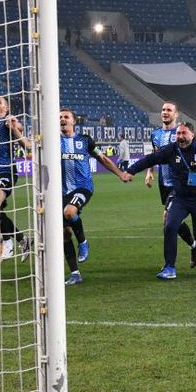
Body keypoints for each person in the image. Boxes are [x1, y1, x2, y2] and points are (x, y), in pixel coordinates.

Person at [122, 122, 196, 279]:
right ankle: (170, 268)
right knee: (170, 226)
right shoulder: (171, 150)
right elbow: (151, 159)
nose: (180, 137)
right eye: (178, 134)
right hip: (180, 199)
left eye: (184, 133)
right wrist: (131, 171)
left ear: (192, 135)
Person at [59, 108, 126, 285]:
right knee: (64, 233)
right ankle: (75, 273)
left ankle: (83, 242)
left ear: (74, 121)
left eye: (66, 117)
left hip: (83, 187)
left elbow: (102, 159)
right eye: (60, 117)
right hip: (61, 192)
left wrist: (120, 174)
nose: (62, 119)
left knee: (69, 212)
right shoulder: (53, 141)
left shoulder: (85, 140)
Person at [0, 95, 32, 263]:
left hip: (5, 172)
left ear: (6, 108)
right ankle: (23, 240)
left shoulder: (8, 121)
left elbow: (24, 137)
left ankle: (8, 242)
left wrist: (15, 127)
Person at [145, 102, 196, 267]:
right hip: (163, 183)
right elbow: (155, 155)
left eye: (169, 110)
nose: (165, 112)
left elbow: (194, 155)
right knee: (173, 220)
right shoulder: (155, 134)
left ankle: (169, 264)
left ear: (176, 114)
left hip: (179, 183)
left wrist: (194, 179)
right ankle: (194, 246)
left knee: (168, 218)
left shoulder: (181, 133)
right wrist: (150, 172)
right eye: (163, 110)